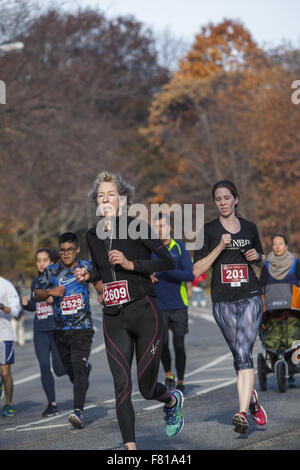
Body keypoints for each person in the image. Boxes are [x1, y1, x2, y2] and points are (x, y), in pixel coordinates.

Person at [74, 171, 184, 450]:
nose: (105, 199)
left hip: (146, 314)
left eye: (110, 194)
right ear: (96, 202)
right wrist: (92, 280)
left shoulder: (138, 227)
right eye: (101, 195)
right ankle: (130, 449)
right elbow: (99, 271)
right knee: (121, 384)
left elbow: (168, 261)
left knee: (147, 389)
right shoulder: (92, 235)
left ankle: (171, 400)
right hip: (114, 318)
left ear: (122, 199)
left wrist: (132, 264)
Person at [193, 179, 267, 434]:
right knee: (239, 354)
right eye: (218, 199)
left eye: (227, 197)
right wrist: (220, 247)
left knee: (244, 353)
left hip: (250, 296)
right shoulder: (208, 231)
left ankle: (242, 412)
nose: (223, 202)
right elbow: (197, 270)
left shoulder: (249, 228)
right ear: (215, 202)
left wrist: (257, 257)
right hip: (222, 300)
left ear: (236, 199)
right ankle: (251, 398)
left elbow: (260, 260)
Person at [35, 233, 94, 429]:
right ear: (59, 252)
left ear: (77, 249)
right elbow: (37, 293)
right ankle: (83, 375)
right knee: (69, 371)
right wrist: (50, 292)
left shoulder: (86, 266)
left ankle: (78, 411)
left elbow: (100, 280)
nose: (66, 254)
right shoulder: (52, 270)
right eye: (62, 250)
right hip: (60, 329)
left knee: (77, 367)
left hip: (82, 328)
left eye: (70, 250)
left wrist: (101, 291)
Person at [151, 212, 194, 394]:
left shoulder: (179, 247)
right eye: (157, 227)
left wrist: (166, 270)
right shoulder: (151, 250)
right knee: (162, 345)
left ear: (170, 228)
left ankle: (181, 380)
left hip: (178, 304)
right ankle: (169, 375)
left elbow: (189, 274)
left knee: (179, 345)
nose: (160, 230)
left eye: (163, 226)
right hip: (159, 305)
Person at [22, 248, 66, 417]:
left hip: (55, 328)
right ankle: (52, 404)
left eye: (45, 260)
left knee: (60, 369)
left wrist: (53, 298)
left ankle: (82, 369)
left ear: (52, 262)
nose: (41, 263)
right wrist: (27, 304)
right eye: (38, 260)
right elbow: (34, 306)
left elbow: (65, 300)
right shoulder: (35, 281)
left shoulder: (58, 279)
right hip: (40, 330)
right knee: (44, 366)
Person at [260, 234, 300, 386]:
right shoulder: (267, 266)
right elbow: (260, 287)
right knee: (271, 333)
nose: (277, 247)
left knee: (294, 334)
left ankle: (293, 362)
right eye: (275, 244)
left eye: (280, 243)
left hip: (293, 311)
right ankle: (273, 358)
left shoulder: (295, 263)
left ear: (286, 246)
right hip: (272, 313)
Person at [0, 275, 21, 416]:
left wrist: (2, 306)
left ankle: (8, 403)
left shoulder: (6, 285)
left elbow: (16, 310)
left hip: (4, 336)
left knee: (5, 373)